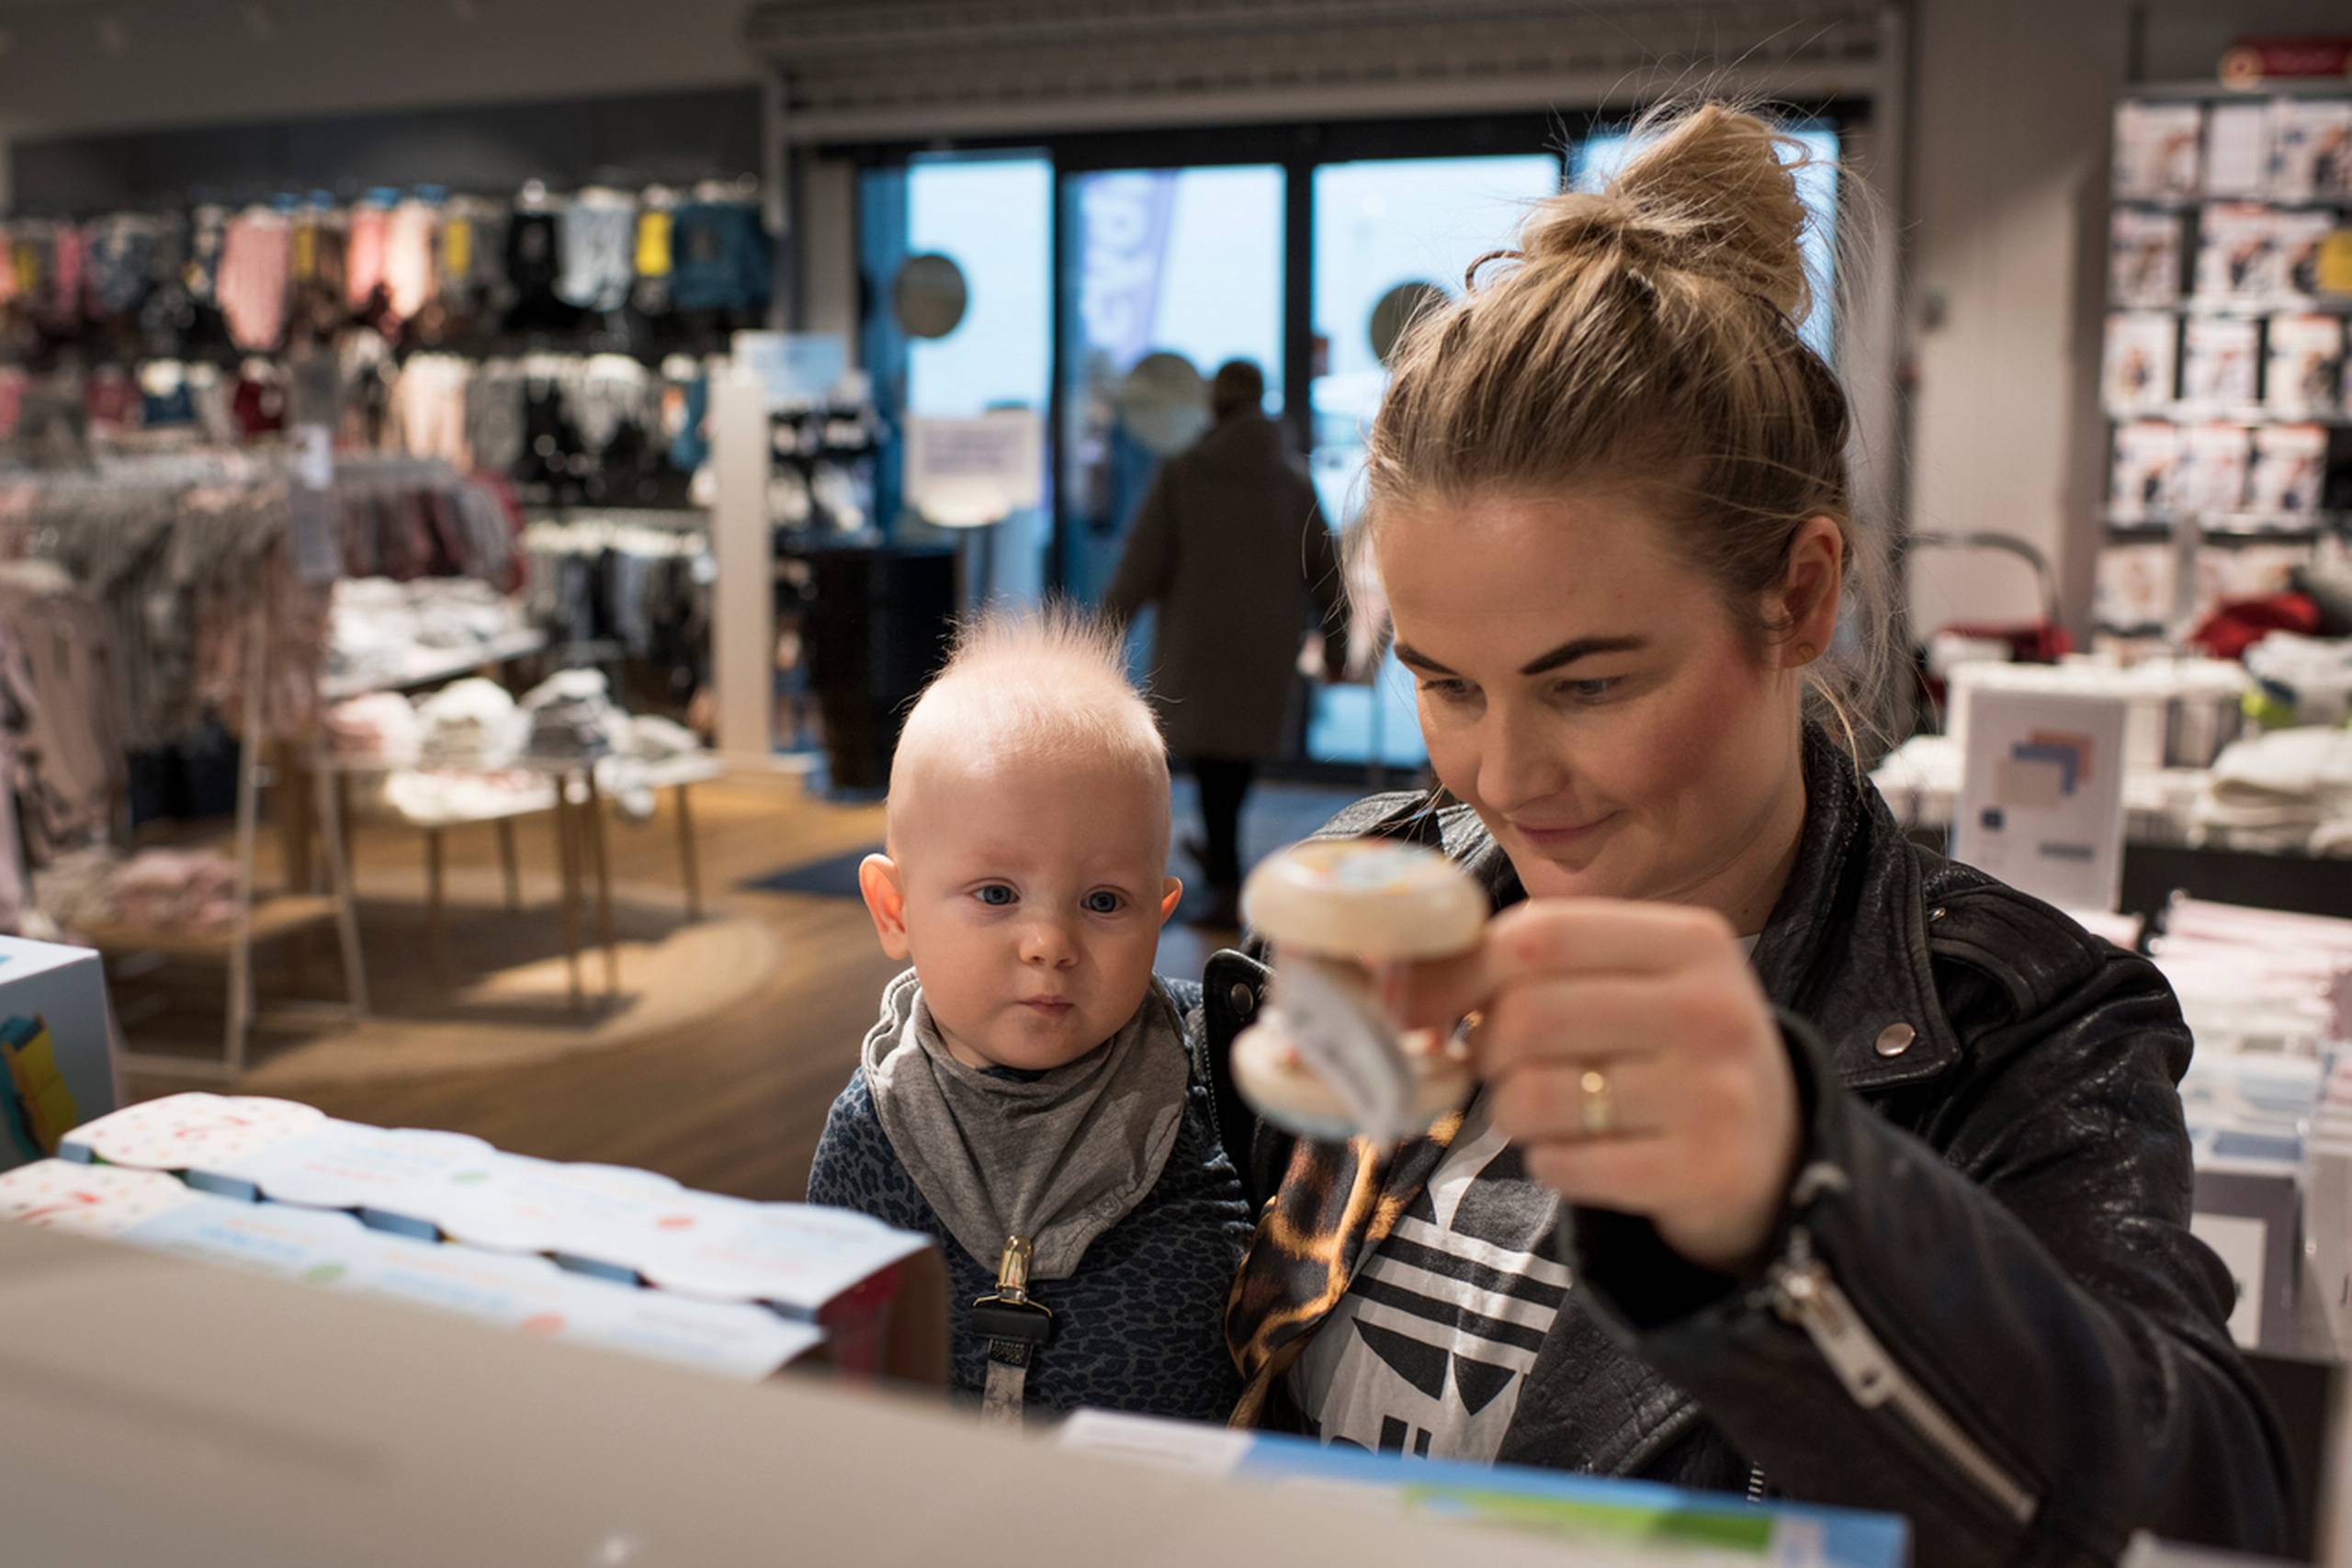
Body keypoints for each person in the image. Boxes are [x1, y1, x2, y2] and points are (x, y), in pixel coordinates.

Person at [1193, 105, 2292, 1564]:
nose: (1503, 774)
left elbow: (2197, 1503)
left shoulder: (2019, 1028)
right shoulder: (1365, 908)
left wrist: (1806, 1204)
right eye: (1445, 681)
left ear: (1801, 594)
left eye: (1590, 682)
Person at [806, 605, 1252, 1423]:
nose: (1050, 941)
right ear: (894, 908)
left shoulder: (1220, 1074)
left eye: (1104, 900)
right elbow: (834, 1380)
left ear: (1160, 916)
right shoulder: (873, 1129)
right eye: (997, 894)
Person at [1104, 358, 1344, 930]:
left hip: (1197, 647)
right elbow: (1328, 575)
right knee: (1233, 765)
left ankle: (1225, 871)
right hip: (1265, 649)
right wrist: (1337, 647)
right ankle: (1224, 866)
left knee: (1211, 764)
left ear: (1214, 401)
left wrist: (1097, 638)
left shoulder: (1185, 474)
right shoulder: (1291, 481)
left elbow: (1141, 566)